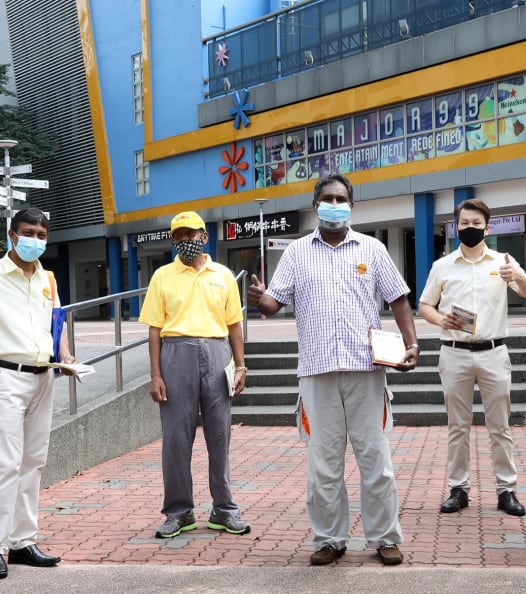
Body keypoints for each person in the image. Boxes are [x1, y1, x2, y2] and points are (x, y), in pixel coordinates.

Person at [247, 173, 419, 567]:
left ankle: (384, 537)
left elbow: (399, 299)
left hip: (366, 370)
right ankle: (329, 539)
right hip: (317, 373)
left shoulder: (372, 249)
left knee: (375, 460)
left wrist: (411, 344)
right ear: (315, 205)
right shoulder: (296, 253)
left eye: (341, 199)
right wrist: (260, 299)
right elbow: (274, 304)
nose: (334, 204)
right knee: (323, 464)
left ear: (351, 206)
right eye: (327, 198)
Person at [419, 198, 526, 517]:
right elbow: (425, 305)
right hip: (454, 353)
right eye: (464, 224)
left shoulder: (503, 262)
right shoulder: (442, 266)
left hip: (494, 353)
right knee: (458, 425)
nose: (469, 228)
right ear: (456, 227)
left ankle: (506, 490)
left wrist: (517, 276)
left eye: (476, 224)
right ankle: (459, 489)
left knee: (500, 425)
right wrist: (440, 319)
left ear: (487, 227)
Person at [139, 211, 251, 540]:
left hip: (217, 355)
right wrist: (156, 374)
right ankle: (179, 511)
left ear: (204, 235)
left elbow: (234, 325)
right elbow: (155, 330)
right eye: (180, 236)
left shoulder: (223, 275)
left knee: (220, 436)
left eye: (192, 234)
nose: (187, 240)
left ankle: (224, 509)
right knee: (175, 439)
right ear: (173, 240)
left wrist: (241, 365)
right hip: (176, 353)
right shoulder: (162, 276)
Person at [0, 207, 74, 579]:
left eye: (42, 235)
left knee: (34, 461)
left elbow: (56, 321)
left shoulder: (48, 279)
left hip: (44, 377)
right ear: (12, 235)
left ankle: (22, 541)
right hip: (7, 378)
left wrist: (65, 356)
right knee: (6, 463)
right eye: (28, 232)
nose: (35, 240)